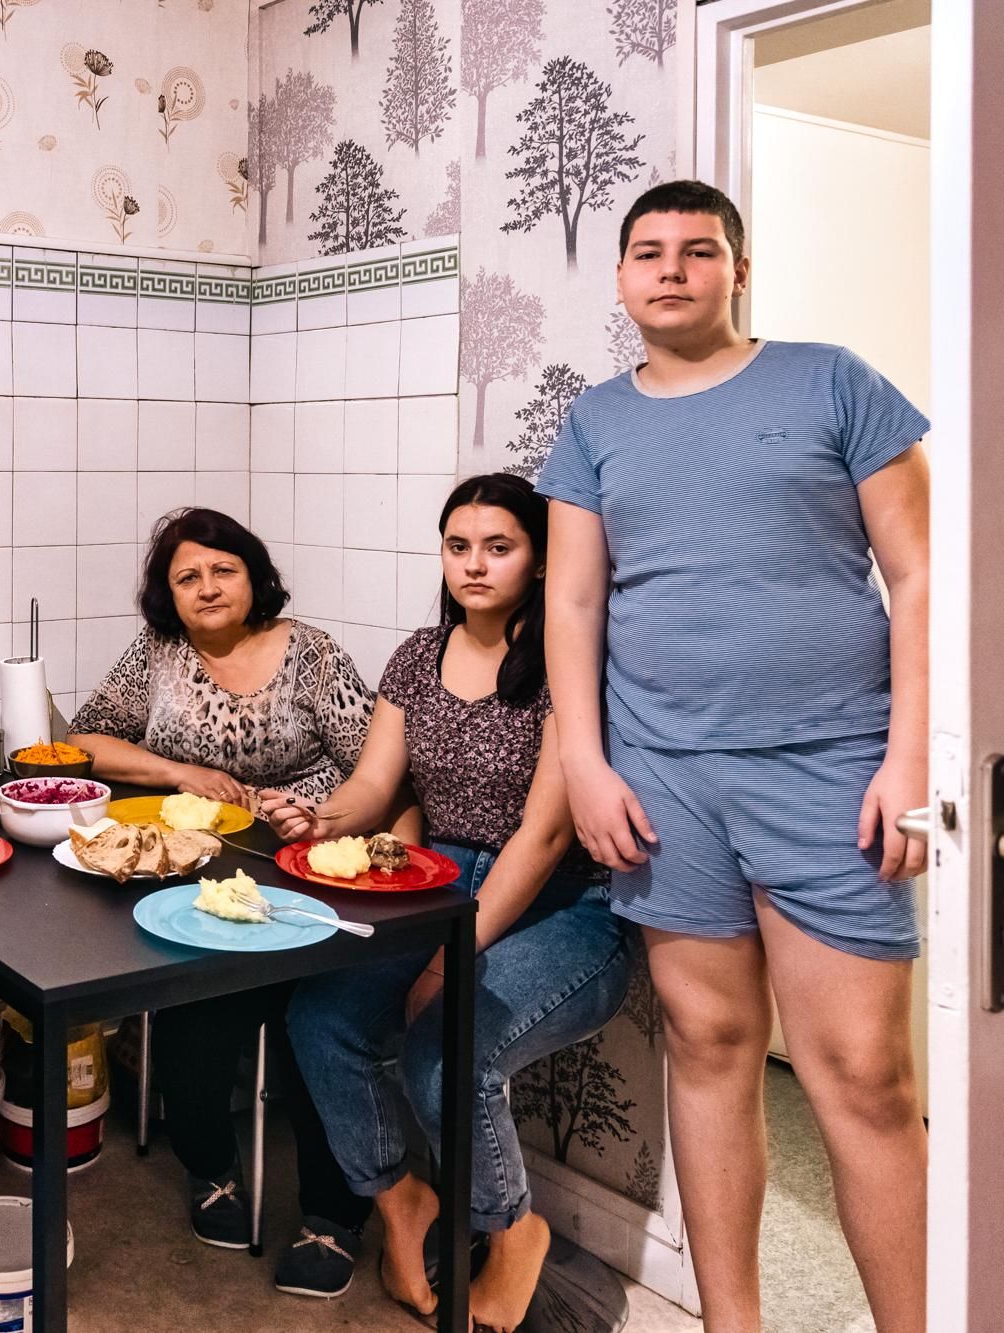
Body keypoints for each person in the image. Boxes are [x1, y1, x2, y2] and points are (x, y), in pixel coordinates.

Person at [540, 180, 930, 1333]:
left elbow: (916, 577)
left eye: (697, 251)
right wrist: (585, 766)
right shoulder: (593, 421)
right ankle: (731, 1323)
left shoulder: (830, 380)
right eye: (647, 252)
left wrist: (910, 759)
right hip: (662, 777)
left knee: (860, 1074)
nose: (670, 269)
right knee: (707, 1044)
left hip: (831, 770)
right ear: (618, 279)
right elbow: (570, 602)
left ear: (736, 271)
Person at [266, 474, 632, 1328]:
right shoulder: (416, 657)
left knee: (446, 1051)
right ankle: (404, 1206)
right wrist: (313, 817)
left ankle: (514, 1231)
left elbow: (543, 840)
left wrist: (446, 956)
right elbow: (371, 786)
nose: (475, 565)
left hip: (565, 906)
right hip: (430, 883)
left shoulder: (564, 667)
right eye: (458, 546)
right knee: (321, 1019)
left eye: (499, 547)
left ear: (539, 561)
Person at [67, 506, 377, 1298]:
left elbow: (379, 765)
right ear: (167, 595)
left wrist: (321, 819)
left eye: (222, 569)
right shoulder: (158, 653)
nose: (206, 587)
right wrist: (177, 772)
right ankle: (213, 1173)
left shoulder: (310, 654)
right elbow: (85, 741)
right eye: (187, 577)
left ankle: (331, 1217)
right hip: (199, 883)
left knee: (319, 1026)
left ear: (254, 574)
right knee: (187, 1013)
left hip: (308, 875)